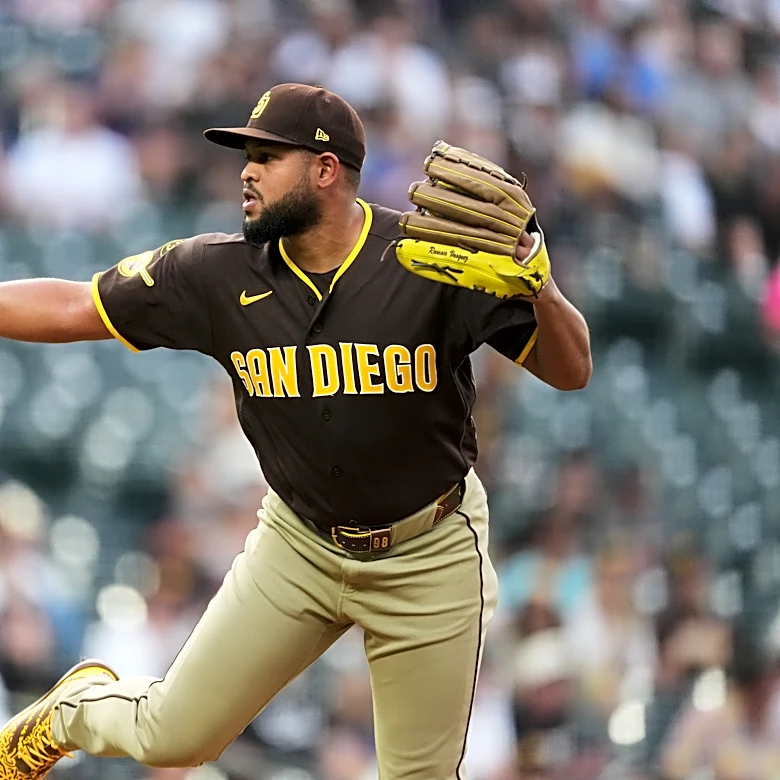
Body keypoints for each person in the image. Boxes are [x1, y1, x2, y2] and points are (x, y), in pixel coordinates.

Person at [0, 83, 591, 779]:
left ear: (325, 170)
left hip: (426, 552)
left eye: (266, 156)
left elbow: (572, 369)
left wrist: (538, 286)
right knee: (172, 736)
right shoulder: (216, 274)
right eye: (246, 156)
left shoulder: (430, 260)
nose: (245, 172)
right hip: (299, 543)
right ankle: (67, 712)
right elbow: (76, 306)